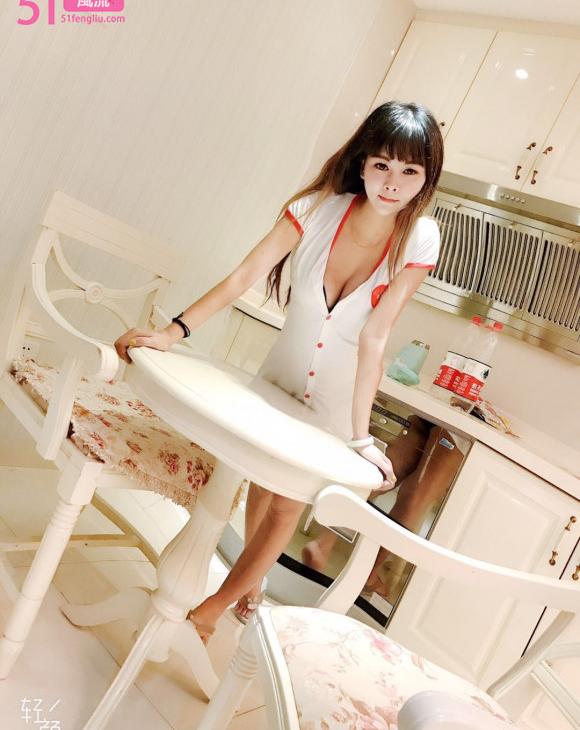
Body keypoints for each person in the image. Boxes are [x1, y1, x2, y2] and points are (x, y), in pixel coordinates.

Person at [114, 101, 444, 643]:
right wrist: (173, 332)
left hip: (337, 399)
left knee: (287, 505)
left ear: (426, 179)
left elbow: (375, 337)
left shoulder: (420, 238)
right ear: (363, 163)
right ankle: (249, 584)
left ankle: (211, 610)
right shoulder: (315, 209)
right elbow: (244, 274)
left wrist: (361, 438)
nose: (393, 183)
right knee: (260, 484)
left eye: (410, 171)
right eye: (382, 165)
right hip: (279, 377)